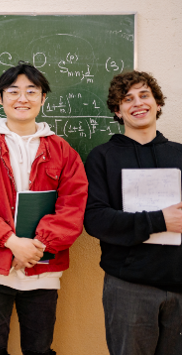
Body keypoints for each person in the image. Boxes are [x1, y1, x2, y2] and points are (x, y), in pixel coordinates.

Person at [0, 61, 88, 355]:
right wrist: (12, 244)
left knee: (39, 350)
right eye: (13, 91)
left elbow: (72, 208)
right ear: (0, 98)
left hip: (43, 268)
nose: (22, 99)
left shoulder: (63, 151)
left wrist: (36, 247)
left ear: (43, 98)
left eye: (32, 91)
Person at [84, 71, 182, 355]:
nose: (137, 103)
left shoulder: (179, 155)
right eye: (127, 99)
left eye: (144, 95)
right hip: (129, 287)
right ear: (117, 110)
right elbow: (96, 220)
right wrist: (160, 219)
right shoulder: (102, 157)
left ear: (158, 103)